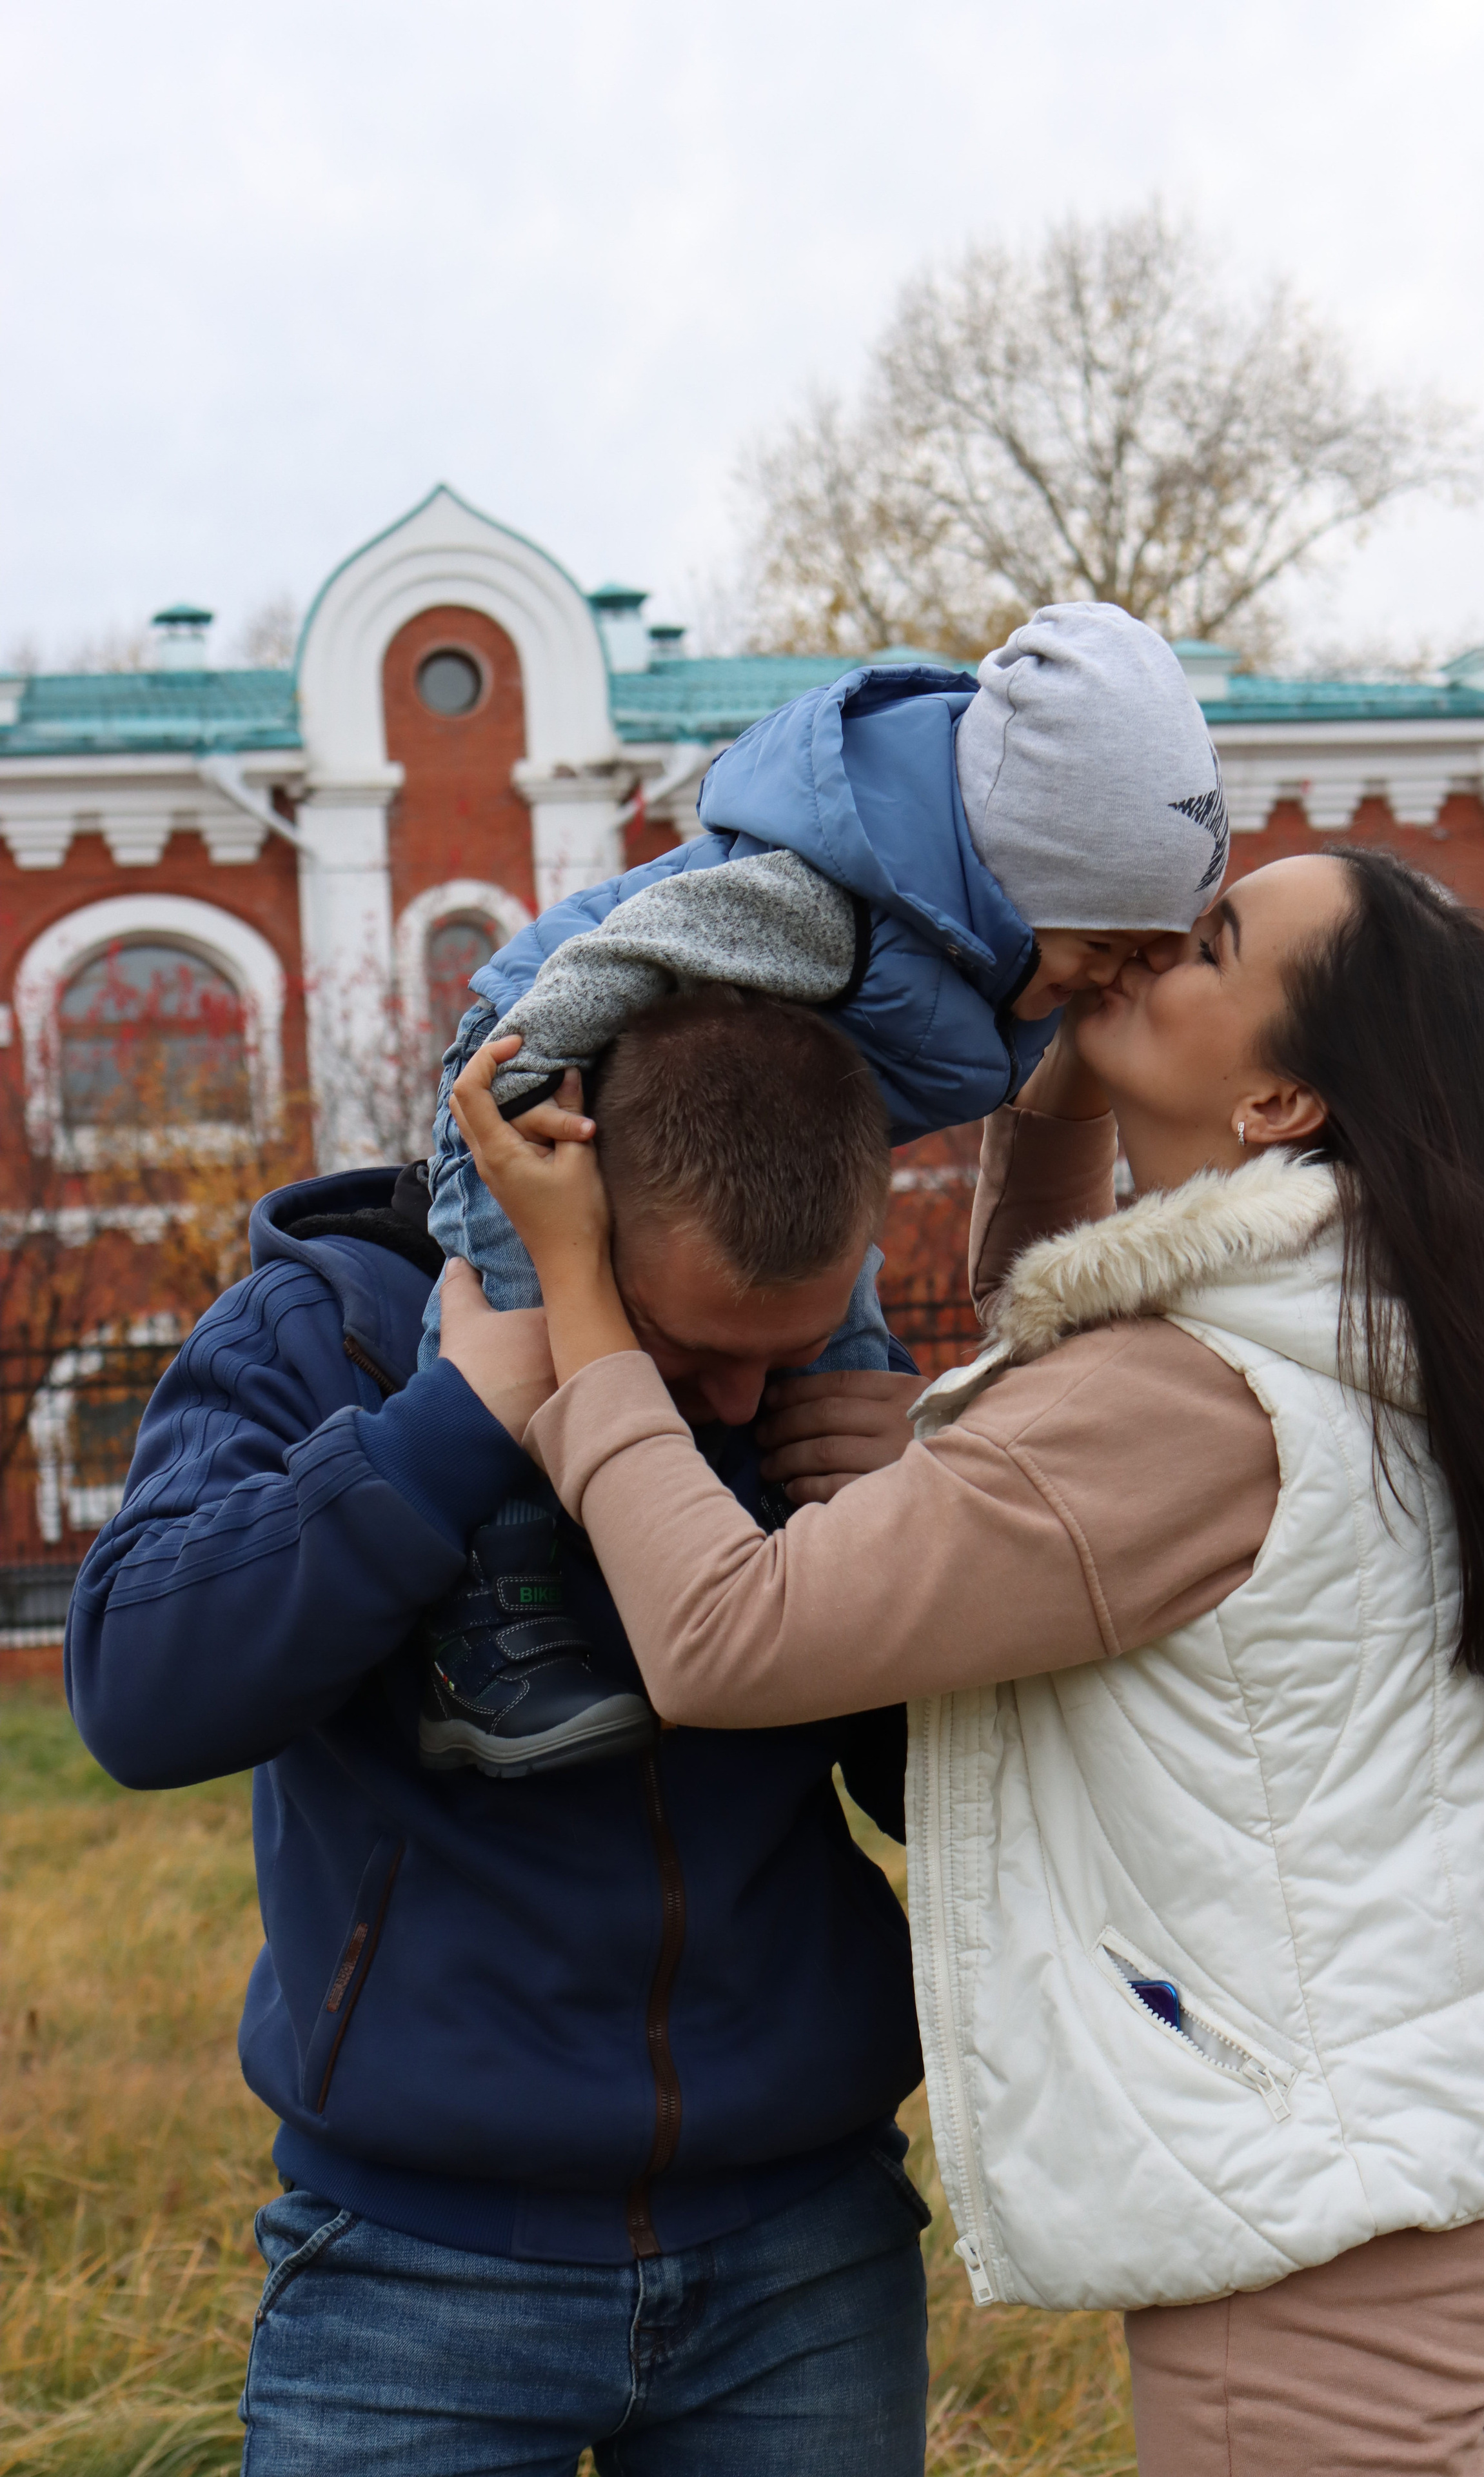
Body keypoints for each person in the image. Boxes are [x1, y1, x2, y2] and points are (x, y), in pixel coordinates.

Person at [448, 848, 1484, 2475]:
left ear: (1281, 1098)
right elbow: (1066, 1341)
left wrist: (575, 1306)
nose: (1145, 946)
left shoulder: (1182, 1404)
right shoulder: (1397, 1305)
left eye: (1204, 944)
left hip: (1324, 2248)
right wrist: (1061, 1082)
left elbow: (723, 1635)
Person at [66, 992, 938, 2477]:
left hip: (806, 2257)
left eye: (780, 1351)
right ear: (564, 1216)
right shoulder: (331, 1327)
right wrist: (445, 1430)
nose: (739, 1400)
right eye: (685, 1348)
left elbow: (933, 1791)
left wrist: (925, 1522)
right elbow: (139, 1694)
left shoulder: (807, 1370)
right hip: (414, 2264)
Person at [414, 601, 1225, 1771]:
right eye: (1104, 945)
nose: (1118, 980)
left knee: (848, 1375)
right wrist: (521, 1093)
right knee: (525, 1337)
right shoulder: (822, 905)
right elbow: (628, 953)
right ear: (1014, 874)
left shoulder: (999, 946)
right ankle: (487, 1619)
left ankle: (848, 1618)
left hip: (763, 1155)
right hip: (544, 1073)